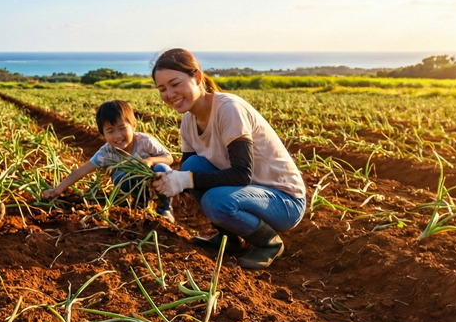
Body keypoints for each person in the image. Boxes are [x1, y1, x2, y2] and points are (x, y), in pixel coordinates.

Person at [151, 48, 306, 269]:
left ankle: (269, 244)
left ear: (197, 77)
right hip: (246, 192)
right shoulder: (188, 121)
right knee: (193, 166)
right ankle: (230, 238)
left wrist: (185, 180)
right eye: (162, 89)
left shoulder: (229, 109)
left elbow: (242, 174)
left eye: (175, 84)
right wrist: (163, 181)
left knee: (215, 200)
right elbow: (189, 169)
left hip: (283, 201)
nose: (170, 94)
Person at [42, 100, 175, 222]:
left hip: (155, 181)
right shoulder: (106, 153)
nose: (117, 136)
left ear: (134, 125)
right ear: (103, 134)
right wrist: (56, 191)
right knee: (121, 177)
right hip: (130, 183)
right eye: (110, 131)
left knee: (163, 169)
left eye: (122, 128)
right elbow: (79, 172)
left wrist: (151, 160)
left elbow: (169, 158)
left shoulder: (145, 142)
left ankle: (166, 208)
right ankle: (140, 201)